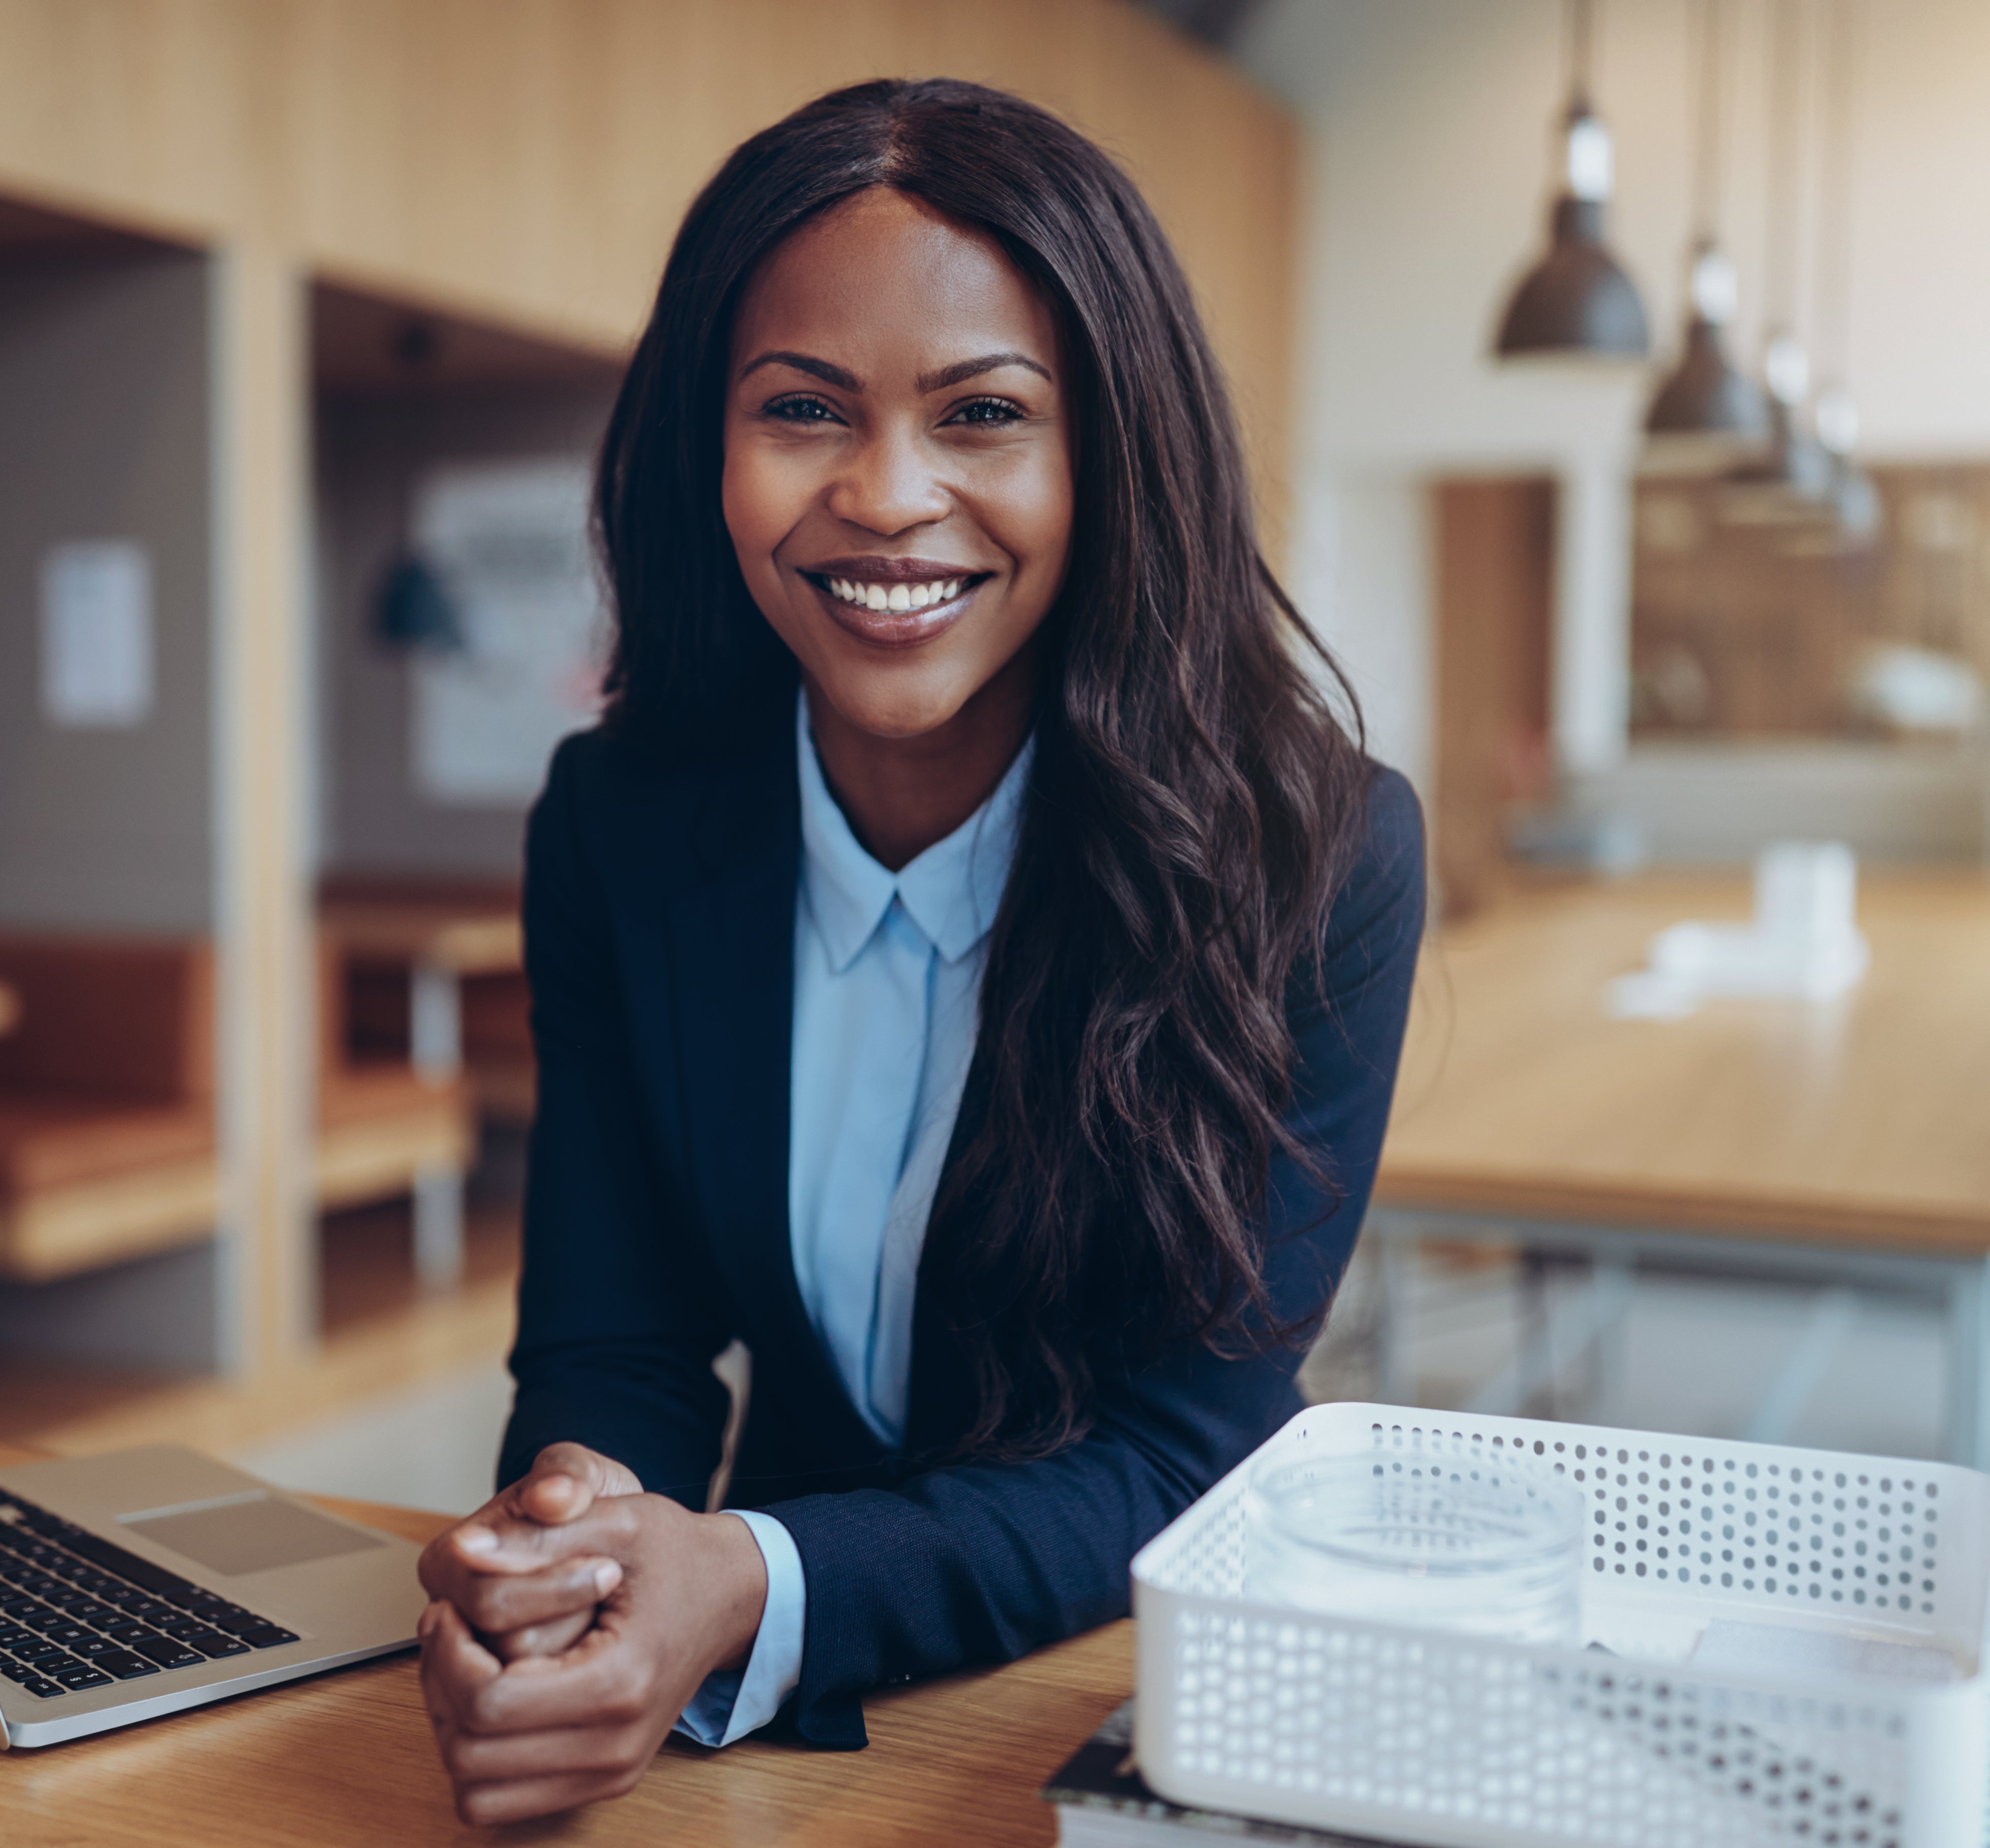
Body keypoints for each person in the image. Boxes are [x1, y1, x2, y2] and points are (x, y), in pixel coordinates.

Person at [412, 76, 1425, 1824]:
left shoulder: (1311, 858)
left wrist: (746, 1579)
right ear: (705, 455)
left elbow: (1186, 1449)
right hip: (766, 1720)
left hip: (1114, 1697)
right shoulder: (620, 821)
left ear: (1107, 454)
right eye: (804, 409)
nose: (887, 497)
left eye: (982, 415)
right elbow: (617, 1337)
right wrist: (569, 1552)